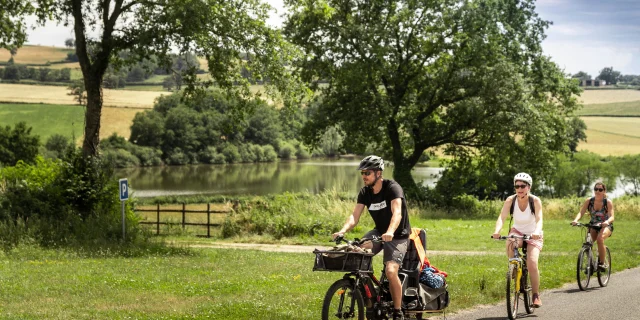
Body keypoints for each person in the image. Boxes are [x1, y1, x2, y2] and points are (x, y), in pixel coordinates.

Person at [333, 155, 411, 320]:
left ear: (378, 173)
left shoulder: (392, 188)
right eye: (362, 173)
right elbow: (355, 216)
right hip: (379, 232)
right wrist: (343, 230)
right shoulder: (365, 192)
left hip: (397, 235)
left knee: (391, 271)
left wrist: (390, 232)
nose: (364, 176)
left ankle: (398, 311)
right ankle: (369, 294)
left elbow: (397, 213)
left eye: (367, 173)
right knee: (357, 251)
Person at [492, 172, 544, 308]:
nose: (520, 189)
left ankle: (535, 295)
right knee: (510, 242)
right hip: (518, 231)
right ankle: (514, 269)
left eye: (523, 186)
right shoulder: (511, 200)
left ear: (529, 187)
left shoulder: (535, 201)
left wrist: (537, 232)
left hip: (533, 233)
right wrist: (497, 231)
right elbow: (502, 217)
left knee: (532, 263)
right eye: (517, 186)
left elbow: (539, 219)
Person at [571, 181, 614, 271]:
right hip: (593, 225)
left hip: (605, 225)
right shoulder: (589, 201)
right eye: (596, 189)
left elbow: (612, 217)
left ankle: (601, 263)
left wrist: (606, 222)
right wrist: (576, 220)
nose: (597, 191)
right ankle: (590, 264)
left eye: (600, 189)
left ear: (604, 191)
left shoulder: (608, 202)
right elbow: (581, 212)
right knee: (588, 243)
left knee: (600, 239)